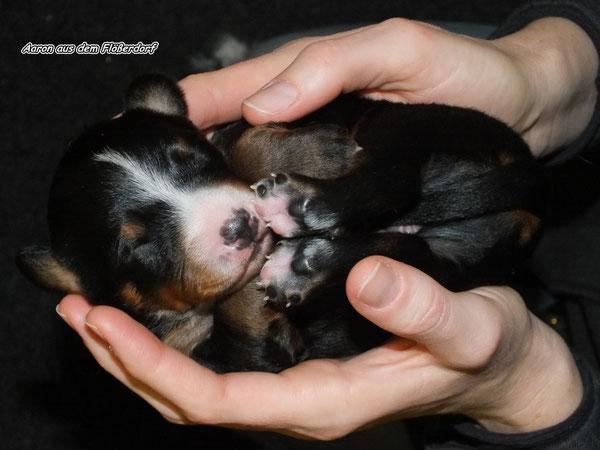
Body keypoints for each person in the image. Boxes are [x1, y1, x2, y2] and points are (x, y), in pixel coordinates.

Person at [56, 1, 600, 447]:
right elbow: (254, 355)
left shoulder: (241, 154)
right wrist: (555, 67)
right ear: (108, 291)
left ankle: (367, 195)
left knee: (288, 75)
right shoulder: (176, 326)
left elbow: (338, 139)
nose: (221, 218)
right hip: (468, 254)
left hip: (439, 165)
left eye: (188, 161)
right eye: (144, 244)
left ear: (191, 134)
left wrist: (524, 395)